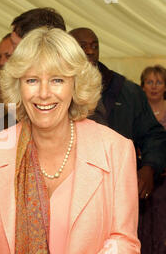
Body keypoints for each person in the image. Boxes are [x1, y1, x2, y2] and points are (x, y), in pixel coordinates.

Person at [0, 27, 140, 254]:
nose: (44, 93)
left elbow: (123, 241)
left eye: (57, 79)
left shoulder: (116, 150)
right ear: (18, 86)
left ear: (76, 85)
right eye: (32, 80)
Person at [69, 27, 166, 200]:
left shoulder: (127, 91)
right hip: (72, 189)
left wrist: (149, 167)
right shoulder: (56, 90)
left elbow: (154, 136)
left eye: (94, 46)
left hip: (121, 189)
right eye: (83, 46)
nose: (90, 51)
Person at [133, 65, 166, 254]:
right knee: (142, 228)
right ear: (142, 85)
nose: (154, 87)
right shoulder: (135, 109)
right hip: (139, 178)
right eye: (149, 82)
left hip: (164, 181)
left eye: (159, 82)